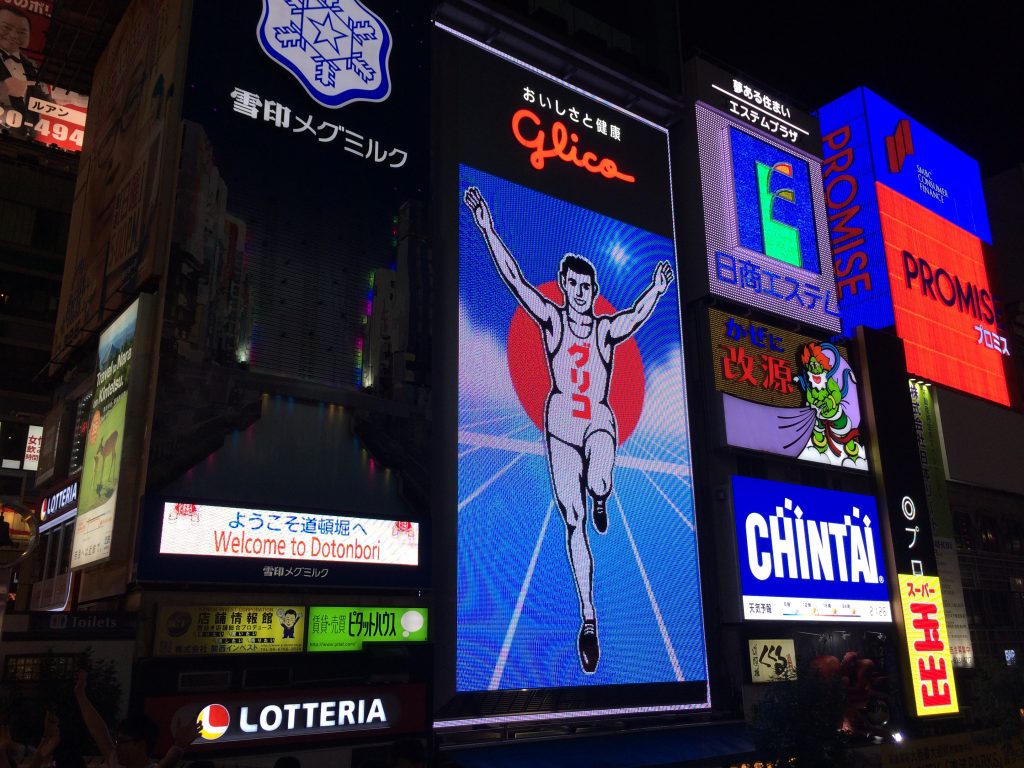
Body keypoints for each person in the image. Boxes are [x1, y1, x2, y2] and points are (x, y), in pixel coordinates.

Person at [464, 186, 674, 673]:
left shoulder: (603, 329)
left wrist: (658, 288)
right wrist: (485, 225)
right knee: (574, 521)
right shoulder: (553, 322)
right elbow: (514, 279)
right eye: (574, 286)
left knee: (599, 479)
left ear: (594, 290)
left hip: (597, 420)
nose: (581, 294)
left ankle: (603, 491)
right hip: (560, 424)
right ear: (564, 284)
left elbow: (635, 317)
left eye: (588, 287)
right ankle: (589, 617)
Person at [74, 672, 197, 768]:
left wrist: (179, 747)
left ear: (140, 745)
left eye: (122, 741)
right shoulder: (117, 764)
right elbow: (99, 732)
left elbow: (167, 764)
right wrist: (80, 695)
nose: (117, 747)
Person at [0, 6, 46, 138]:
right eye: (6, 28)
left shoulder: (32, 65)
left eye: (22, 32)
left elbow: (41, 98)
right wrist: (6, 89)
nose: (14, 35)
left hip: (24, 138)